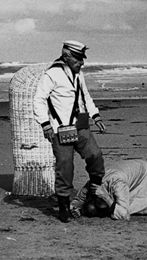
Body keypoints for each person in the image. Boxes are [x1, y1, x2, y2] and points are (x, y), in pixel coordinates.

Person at [33, 40, 106, 223]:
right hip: (61, 130)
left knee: (95, 155)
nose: (82, 63)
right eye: (79, 59)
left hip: (80, 126)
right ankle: (64, 206)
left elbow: (85, 96)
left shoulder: (78, 75)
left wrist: (96, 116)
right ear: (67, 57)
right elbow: (39, 99)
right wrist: (45, 124)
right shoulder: (52, 74)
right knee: (65, 167)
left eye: (82, 59)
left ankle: (93, 193)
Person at [70, 160, 147, 221]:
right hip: (132, 175)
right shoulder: (92, 184)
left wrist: (107, 198)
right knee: (120, 206)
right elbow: (78, 200)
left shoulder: (117, 184)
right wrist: (78, 209)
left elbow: (124, 216)